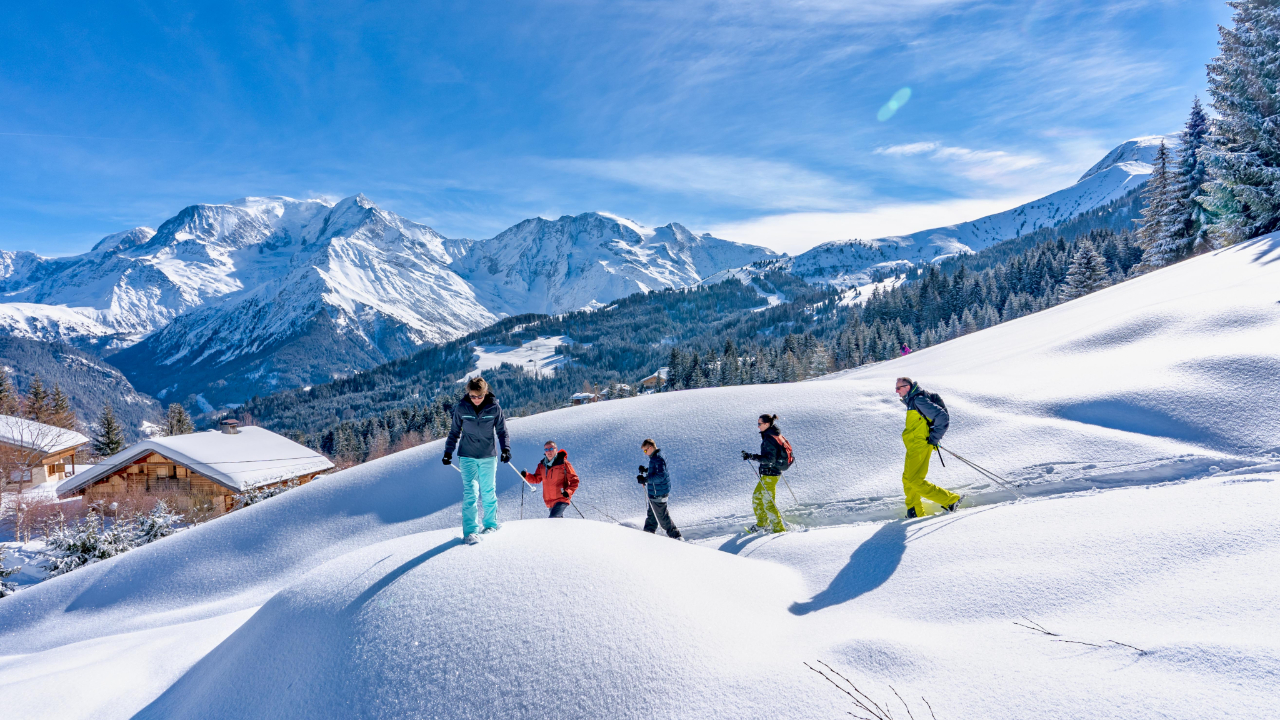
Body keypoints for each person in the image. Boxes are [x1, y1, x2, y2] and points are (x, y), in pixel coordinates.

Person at [443, 376, 511, 544]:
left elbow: (502, 431)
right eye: (473, 396)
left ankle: (490, 525)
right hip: (467, 456)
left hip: (488, 456)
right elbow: (454, 432)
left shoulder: (494, 408)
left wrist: (506, 449)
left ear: (485, 392)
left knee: (488, 491)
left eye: (479, 396)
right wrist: (448, 452)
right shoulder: (462, 408)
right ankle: (471, 532)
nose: (476, 400)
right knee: (471, 493)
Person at [895, 377, 963, 518]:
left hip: (920, 446)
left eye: (898, 388)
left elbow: (942, 417)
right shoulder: (912, 402)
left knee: (914, 480)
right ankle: (914, 511)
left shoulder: (918, 400)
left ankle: (951, 500)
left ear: (907, 387)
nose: (896, 391)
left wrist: (933, 438)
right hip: (913, 446)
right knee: (907, 479)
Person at [742, 413, 788, 534]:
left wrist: (752, 456)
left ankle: (779, 530)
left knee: (768, 502)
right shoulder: (772, 434)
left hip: (771, 474)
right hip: (769, 473)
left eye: (760, 424)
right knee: (757, 497)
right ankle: (762, 524)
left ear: (767, 424)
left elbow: (770, 459)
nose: (758, 426)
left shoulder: (770, 438)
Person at [637, 439, 682, 540]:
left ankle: (677, 538)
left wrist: (646, 479)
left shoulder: (658, 458)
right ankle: (647, 536)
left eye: (645, 450)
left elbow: (661, 476)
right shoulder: (656, 457)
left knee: (663, 519)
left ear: (650, 447)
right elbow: (657, 471)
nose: (645, 453)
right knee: (652, 518)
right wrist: (646, 470)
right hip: (655, 493)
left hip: (659, 493)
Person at [522, 440, 580, 518]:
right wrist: (526, 475)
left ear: (556, 449)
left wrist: (568, 492)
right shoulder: (542, 465)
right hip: (549, 500)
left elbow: (574, 480)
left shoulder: (563, 463)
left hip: (561, 498)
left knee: (553, 519)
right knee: (557, 524)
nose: (548, 451)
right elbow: (536, 479)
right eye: (546, 449)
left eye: (551, 449)